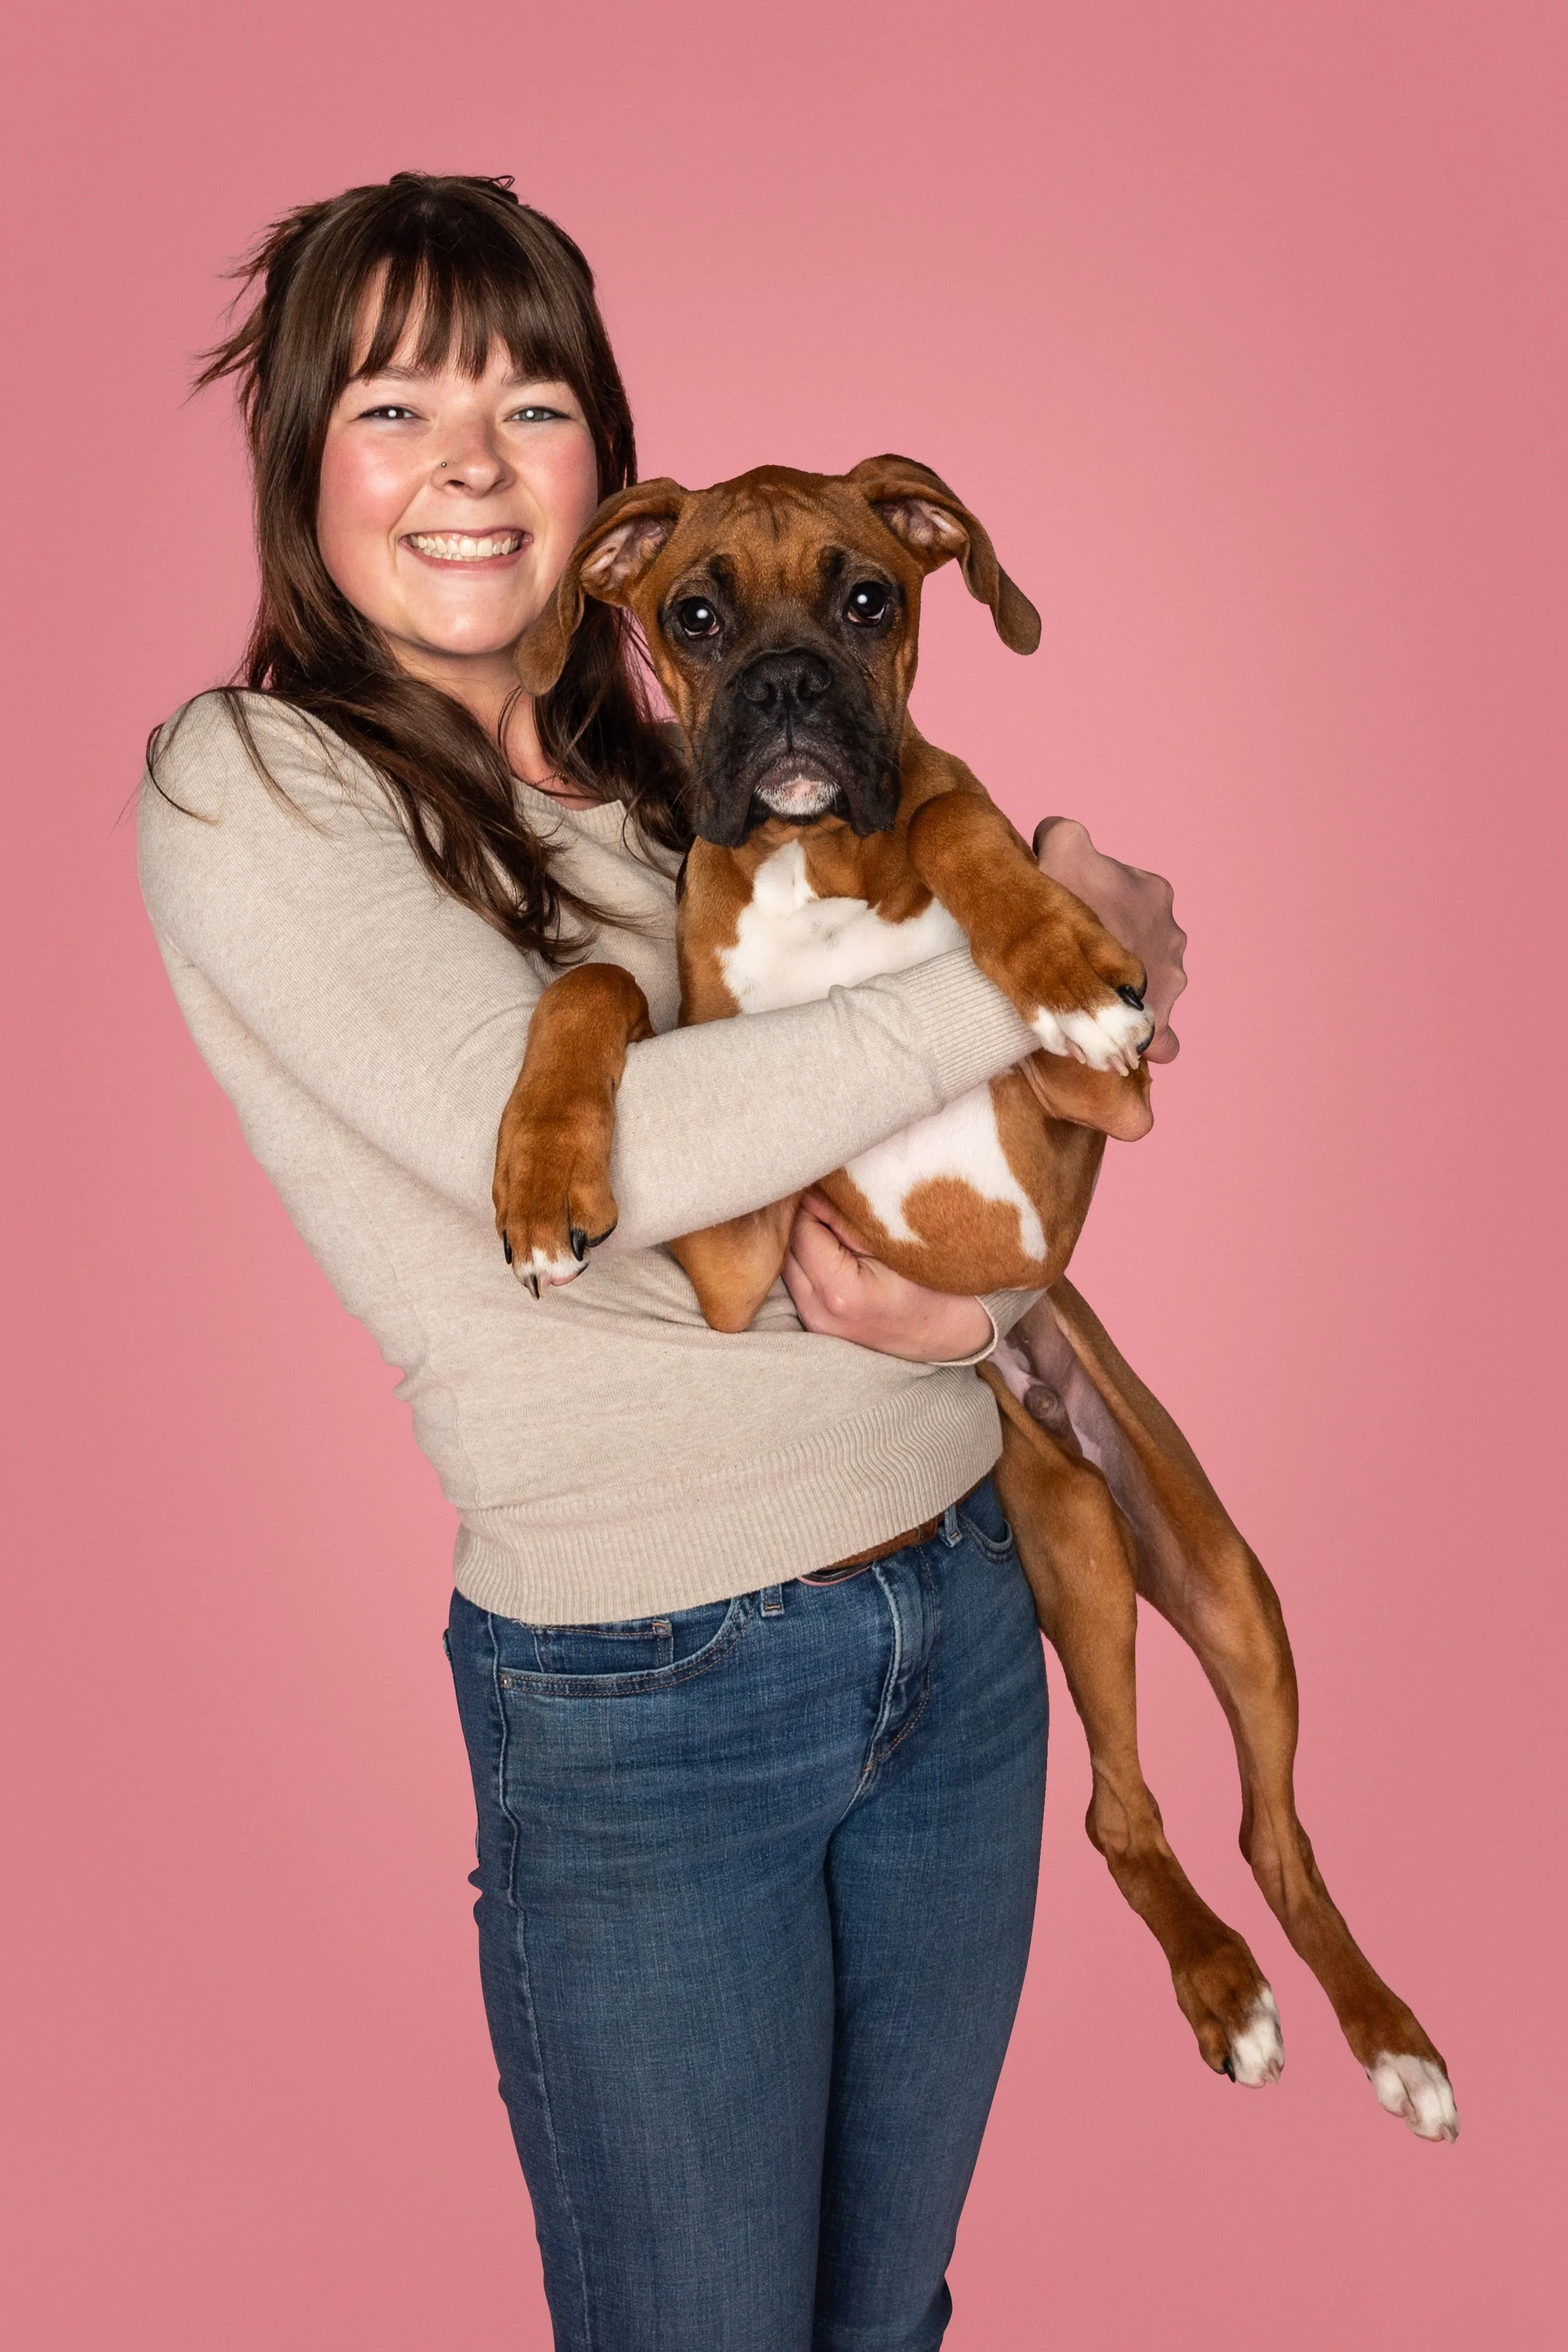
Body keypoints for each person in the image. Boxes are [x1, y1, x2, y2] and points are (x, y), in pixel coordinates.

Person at [140, 172, 1055, 2352]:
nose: (466, 460)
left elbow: (937, 1141)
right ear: (300, 463)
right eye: (390, 403)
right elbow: (593, 1154)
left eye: (526, 401)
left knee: (885, 2322)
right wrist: (1055, 942)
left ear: (607, 490)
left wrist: (990, 1302)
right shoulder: (254, 783)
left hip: (960, 1589)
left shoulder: (697, 777)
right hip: (654, 1691)